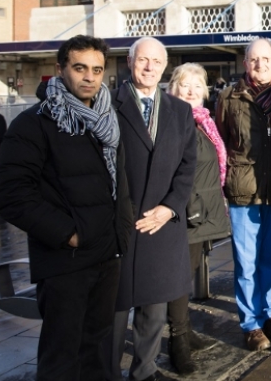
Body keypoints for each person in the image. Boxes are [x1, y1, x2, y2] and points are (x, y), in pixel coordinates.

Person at [0, 35, 132, 380]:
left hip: (106, 252)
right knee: (62, 355)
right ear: (60, 70)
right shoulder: (35, 122)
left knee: (98, 348)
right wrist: (68, 234)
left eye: (97, 69)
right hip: (64, 260)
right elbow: (10, 193)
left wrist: (120, 232)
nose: (90, 77)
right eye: (80, 68)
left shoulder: (107, 119)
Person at [107, 36, 197, 381]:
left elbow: (187, 166)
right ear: (131, 62)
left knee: (154, 307)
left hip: (161, 223)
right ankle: (108, 370)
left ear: (164, 66)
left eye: (156, 62)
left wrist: (170, 208)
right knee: (115, 307)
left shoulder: (180, 110)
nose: (149, 67)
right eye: (142, 60)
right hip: (122, 222)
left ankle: (144, 370)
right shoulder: (109, 104)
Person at [215, 37, 271, 352]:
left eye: (266, 59)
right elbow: (220, 142)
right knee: (246, 262)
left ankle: (267, 313)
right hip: (243, 190)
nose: (260, 64)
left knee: (269, 259)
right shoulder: (229, 96)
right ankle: (250, 323)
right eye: (254, 59)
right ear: (246, 63)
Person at [165, 63, 231, 374]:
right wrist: (188, 206)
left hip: (204, 211)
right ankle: (177, 341)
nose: (190, 91)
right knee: (178, 277)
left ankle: (186, 329)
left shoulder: (203, 120)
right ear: (173, 89)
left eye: (196, 86)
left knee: (187, 272)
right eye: (184, 85)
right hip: (187, 214)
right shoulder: (175, 122)